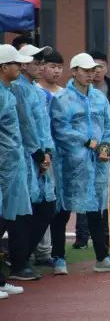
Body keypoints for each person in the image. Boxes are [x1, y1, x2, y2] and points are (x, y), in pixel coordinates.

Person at [49, 53, 110, 275]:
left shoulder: (100, 99)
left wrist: (106, 148)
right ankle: (58, 257)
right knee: (63, 210)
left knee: (97, 209)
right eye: (85, 70)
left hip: (97, 164)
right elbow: (60, 130)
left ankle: (102, 257)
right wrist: (85, 142)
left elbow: (108, 127)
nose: (90, 74)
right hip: (71, 164)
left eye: (92, 70)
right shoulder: (62, 100)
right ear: (74, 71)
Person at [11, 45, 57, 276]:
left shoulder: (37, 91)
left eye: (42, 62)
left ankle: (18, 256)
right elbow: (25, 124)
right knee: (23, 210)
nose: (40, 66)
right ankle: (18, 259)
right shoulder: (18, 89)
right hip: (23, 158)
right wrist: (38, 153)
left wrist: (47, 151)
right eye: (36, 62)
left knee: (46, 207)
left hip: (40, 158)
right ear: (23, 64)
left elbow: (43, 125)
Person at [0, 45, 36, 282]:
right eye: (16, 64)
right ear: (4, 67)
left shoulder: (9, 92)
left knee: (7, 218)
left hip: (12, 166)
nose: (20, 67)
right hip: (4, 165)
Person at [33, 49, 64, 265]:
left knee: (53, 201)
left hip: (58, 154)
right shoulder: (34, 91)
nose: (56, 71)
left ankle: (46, 250)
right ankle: (35, 250)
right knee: (38, 201)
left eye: (59, 67)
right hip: (37, 153)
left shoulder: (64, 94)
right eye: (51, 66)